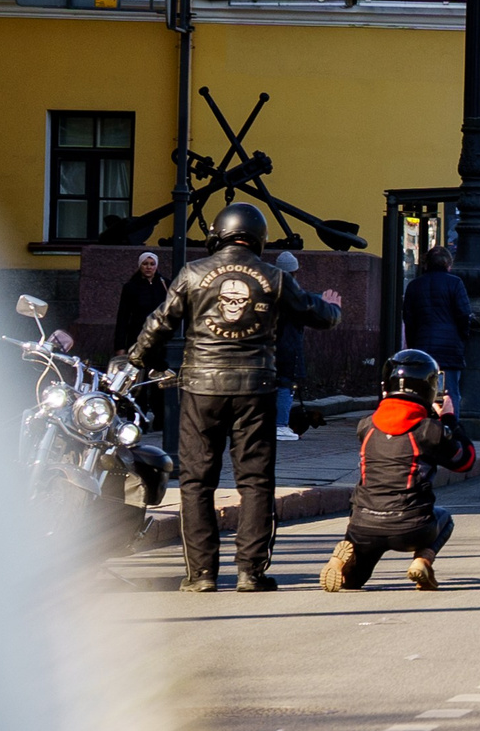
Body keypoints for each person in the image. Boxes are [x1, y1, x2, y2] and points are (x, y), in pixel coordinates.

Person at [126, 202, 341, 592]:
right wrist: (335, 310)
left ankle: (202, 575)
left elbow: (160, 321)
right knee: (256, 482)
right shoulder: (273, 275)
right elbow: (317, 312)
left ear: (218, 233)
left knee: (195, 482)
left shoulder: (193, 273)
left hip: (200, 389)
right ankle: (250, 573)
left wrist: (138, 358)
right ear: (257, 236)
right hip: (255, 389)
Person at [319, 349, 474, 592]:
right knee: (444, 518)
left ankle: (340, 560)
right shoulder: (428, 430)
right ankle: (423, 560)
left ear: (386, 386)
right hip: (412, 526)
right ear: (429, 388)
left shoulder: (366, 425)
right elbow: (465, 461)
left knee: (354, 582)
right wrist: (449, 420)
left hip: (364, 523)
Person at [401, 244, 471, 375]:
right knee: (450, 391)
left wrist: (413, 344)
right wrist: (462, 336)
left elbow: (409, 319)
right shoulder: (455, 283)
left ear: (426, 264)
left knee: (424, 389)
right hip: (450, 347)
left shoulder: (414, 285)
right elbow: (464, 314)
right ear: (448, 264)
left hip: (423, 345)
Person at [272, 250, 308, 438]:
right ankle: (280, 424)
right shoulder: (293, 295)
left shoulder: (267, 290)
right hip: (288, 347)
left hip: (269, 348)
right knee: (286, 386)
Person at [111, 250, 167, 357]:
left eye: (152, 264)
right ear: (140, 265)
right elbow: (123, 317)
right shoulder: (131, 287)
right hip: (138, 337)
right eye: (145, 264)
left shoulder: (165, 285)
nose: (148, 267)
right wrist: (120, 346)